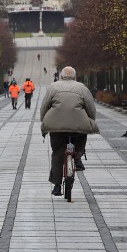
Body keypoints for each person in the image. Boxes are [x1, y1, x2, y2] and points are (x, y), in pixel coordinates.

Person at [40, 66, 99, 196]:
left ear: (61, 76)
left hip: (56, 125)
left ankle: (56, 186)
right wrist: (91, 119)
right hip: (77, 124)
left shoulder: (53, 87)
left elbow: (44, 106)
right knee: (82, 133)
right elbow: (90, 107)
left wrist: (43, 120)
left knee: (57, 153)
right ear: (74, 76)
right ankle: (78, 156)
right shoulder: (82, 88)